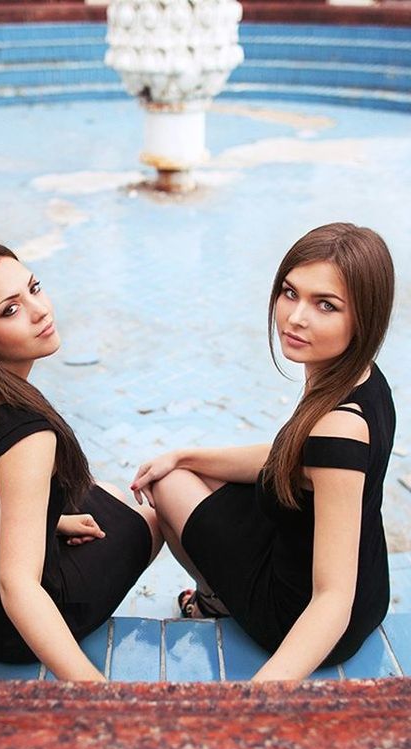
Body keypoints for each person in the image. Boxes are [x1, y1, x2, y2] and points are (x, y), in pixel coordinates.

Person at [131, 223, 396, 681]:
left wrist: (259, 700)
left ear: (364, 318)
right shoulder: (361, 379)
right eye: (290, 293)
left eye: (325, 305)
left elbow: (331, 597)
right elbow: (290, 457)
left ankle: (215, 603)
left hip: (302, 614)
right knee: (187, 472)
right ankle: (218, 590)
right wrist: (187, 455)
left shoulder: (339, 428)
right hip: (366, 590)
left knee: (168, 487)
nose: (295, 318)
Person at [0, 243, 162, 681]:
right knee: (152, 516)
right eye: (10, 310)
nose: (39, 311)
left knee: (102, 495)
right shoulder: (25, 436)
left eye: (34, 288)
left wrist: (54, 522)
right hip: (7, 629)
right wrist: (93, 688)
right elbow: (16, 586)